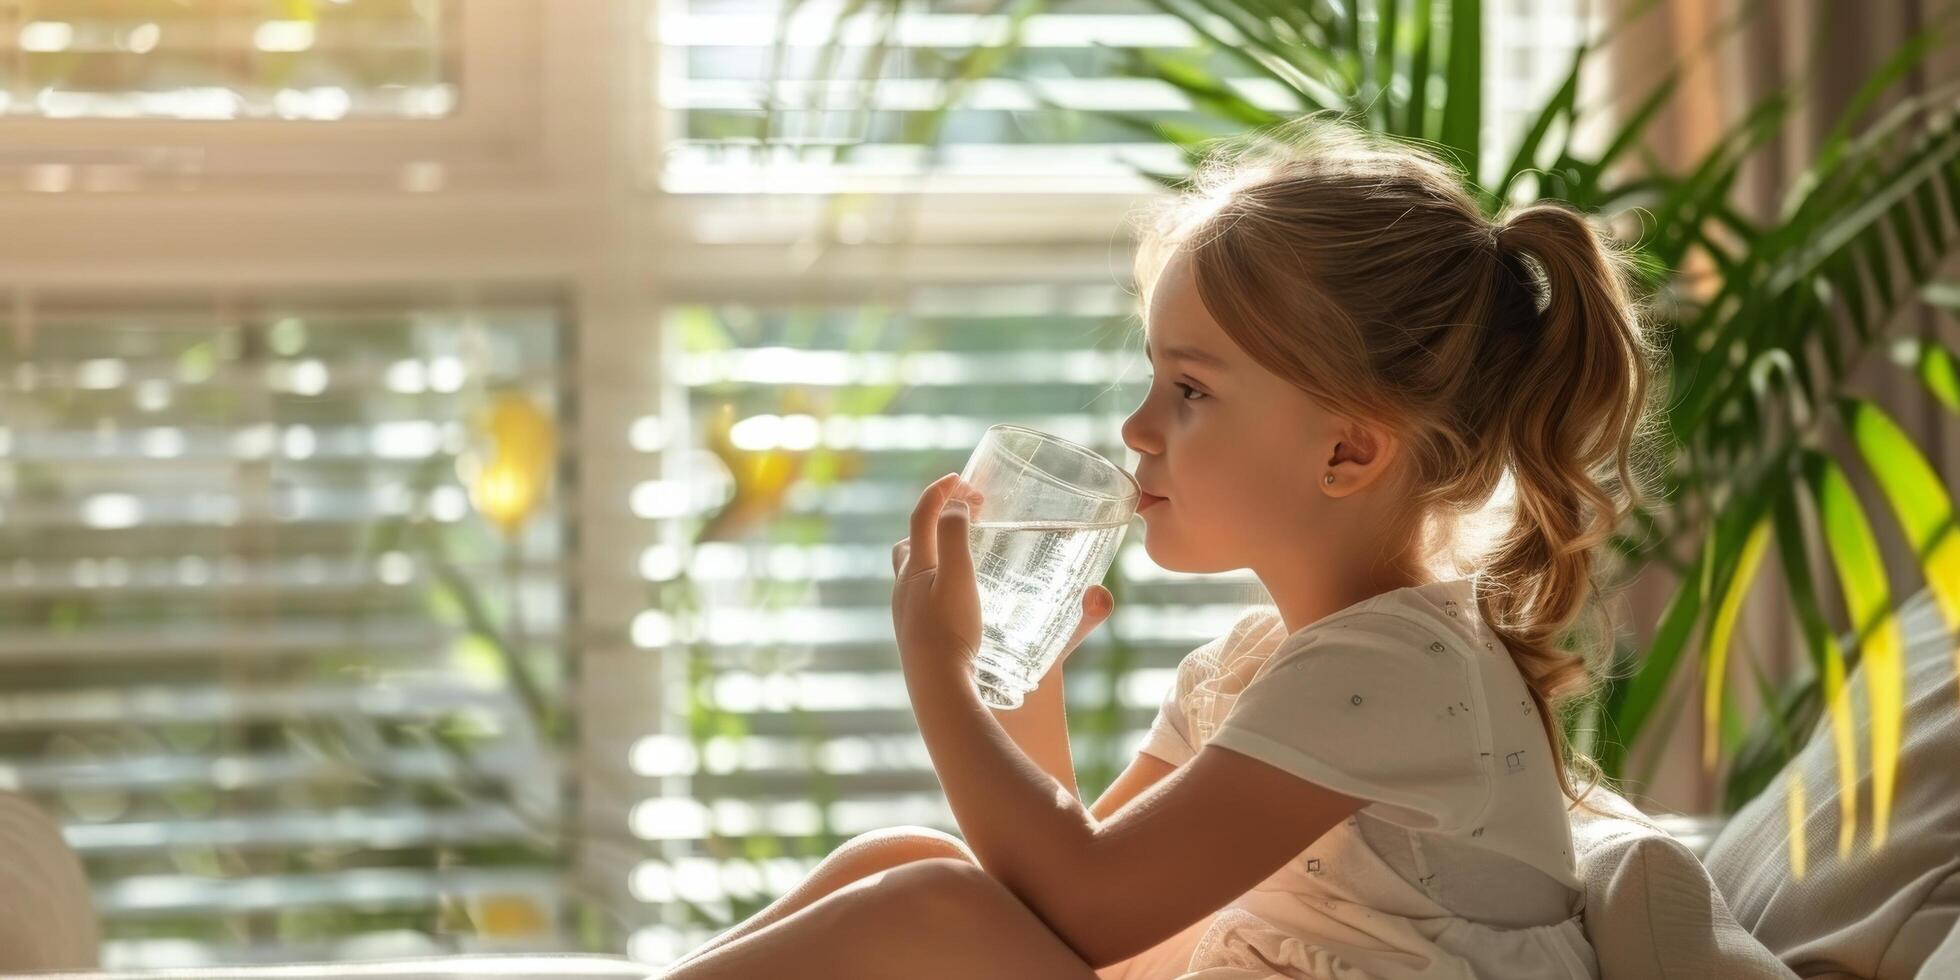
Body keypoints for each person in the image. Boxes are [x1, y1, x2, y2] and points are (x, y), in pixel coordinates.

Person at [657, 114, 1666, 979]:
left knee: (929, 904)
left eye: (1189, 389)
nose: (1137, 427)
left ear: (1348, 449)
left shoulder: (1397, 663)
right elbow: (1076, 914)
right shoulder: (1251, 665)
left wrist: (940, 673)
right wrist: (1023, 689)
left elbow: (1089, 907)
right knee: (907, 855)